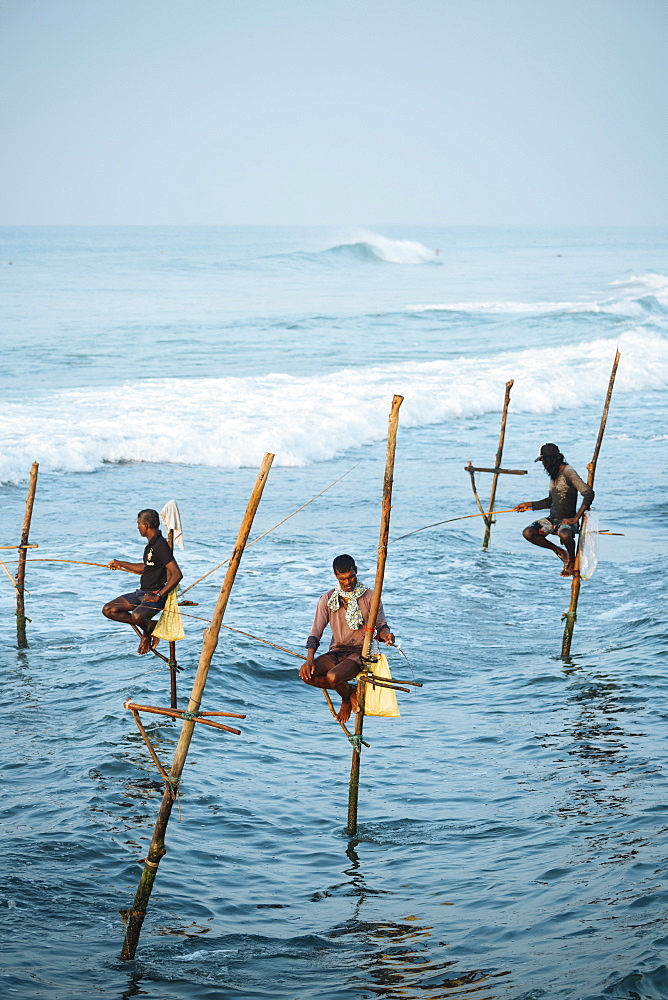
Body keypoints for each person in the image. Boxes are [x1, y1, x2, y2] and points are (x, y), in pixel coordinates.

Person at [299, 554, 395, 723]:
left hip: (359, 653)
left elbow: (380, 626)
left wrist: (386, 635)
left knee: (333, 677)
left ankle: (345, 700)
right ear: (336, 576)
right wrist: (309, 659)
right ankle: (349, 691)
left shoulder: (371, 597)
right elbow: (315, 632)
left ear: (356, 572)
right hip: (336, 651)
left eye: (351, 577)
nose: (348, 582)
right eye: (343, 579)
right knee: (307, 675)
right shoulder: (327, 599)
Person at [102, 509, 183, 654]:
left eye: (138, 524)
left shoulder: (160, 546)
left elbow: (177, 574)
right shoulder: (151, 545)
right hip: (142, 593)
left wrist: (158, 596)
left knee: (137, 616)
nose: (137, 527)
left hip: (154, 596)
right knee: (108, 609)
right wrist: (120, 563)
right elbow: (146, 568)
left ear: (145, 525)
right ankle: (151, 625)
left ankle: (147, 633)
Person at [513, 443, 594, 577]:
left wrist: (575, 518)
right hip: (553, 519)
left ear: (550, 460)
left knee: (565, 534)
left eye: (543, 461)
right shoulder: (554, 475)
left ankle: (571, 561)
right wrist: (528, 505)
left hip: (568, 521)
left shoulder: (568, 472)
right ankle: (562, 553)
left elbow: (588, 493)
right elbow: (550, 502)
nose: (543, 464)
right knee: (528, 532)